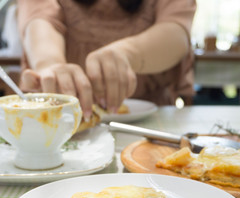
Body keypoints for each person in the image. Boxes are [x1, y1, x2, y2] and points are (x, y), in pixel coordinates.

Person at [17, 0, 196, 118]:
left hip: (151, 122)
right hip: (63, 121)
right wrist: (50, 65)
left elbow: (176, 34)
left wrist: (128, 52)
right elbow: (39, 23)